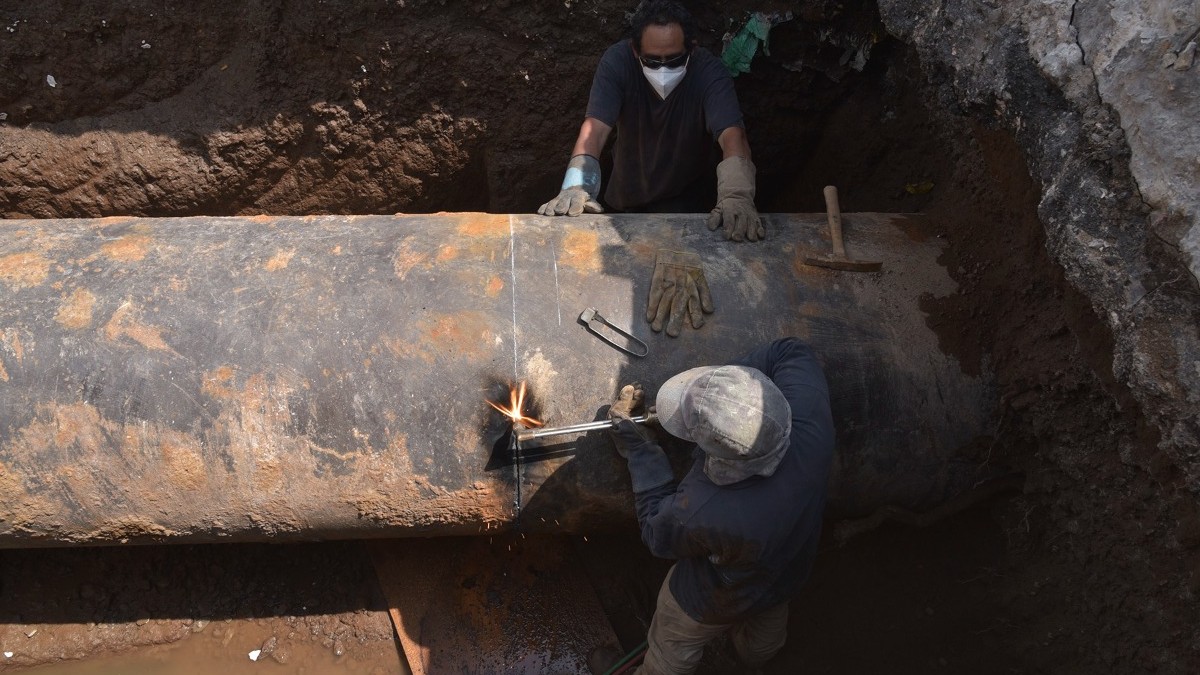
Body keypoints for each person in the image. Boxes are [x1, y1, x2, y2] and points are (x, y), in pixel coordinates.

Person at [604, 337, 835, 673]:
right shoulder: (811, 424)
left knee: (672, 647)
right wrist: (725, 390)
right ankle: (750, 656)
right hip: (788, 572)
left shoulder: (704, 506)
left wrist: (641, 451)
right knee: (763, 642)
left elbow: (657, 534)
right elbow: (791, 350)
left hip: (716, 597)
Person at [538, 0, 765, 242]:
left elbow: (733, 136)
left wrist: (737, 195)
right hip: (626, 198)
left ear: (692, 49)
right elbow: (594, 131)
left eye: (675, 60)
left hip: (683, 201)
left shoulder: (709, 73)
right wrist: (577, 185)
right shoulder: (618, 63)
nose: (664, 70)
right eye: (653, 61)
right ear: (635, 51)